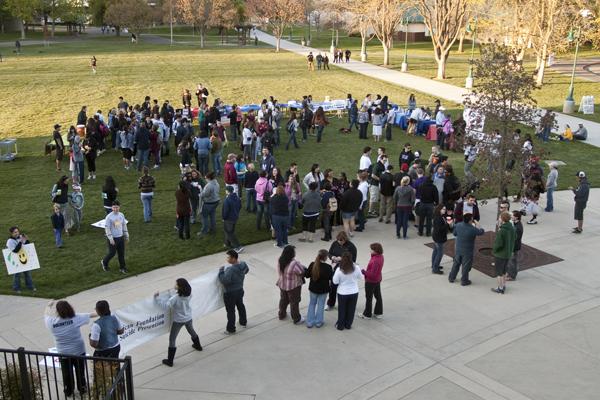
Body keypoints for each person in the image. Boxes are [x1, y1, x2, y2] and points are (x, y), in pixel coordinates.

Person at [44, 300, 97, 397]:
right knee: (80, 371)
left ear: (58, 311)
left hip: (63, 353)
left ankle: (68, 390)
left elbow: (46, 315)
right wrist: (102, 311)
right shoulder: (76, 318)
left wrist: (48, 306)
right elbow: (91, 315)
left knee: (66, 374)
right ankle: (82, 388)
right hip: (79, 351)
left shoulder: (51, 322)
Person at [155, 278, 203, 367]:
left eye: (176, 284)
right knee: (191, 331)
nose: (175, 285)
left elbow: (165, 306)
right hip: (188, 318)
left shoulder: (175, 298)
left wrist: (157, 298)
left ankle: (170, 361)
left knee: (172, 339)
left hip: (178, 321)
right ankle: (198, 346)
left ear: (180, 287)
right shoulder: (189, 294)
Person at [448, 213, 484, 286]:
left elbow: (454, 234)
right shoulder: (473, 229)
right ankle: (464, 281)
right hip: (468, 251)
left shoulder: (458, 225)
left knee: (456, 264)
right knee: (465, 266)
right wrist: (478, 225)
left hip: (458, 249)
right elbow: (481, 232)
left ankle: (451, 277)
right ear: (470, 220)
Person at [218, 249, 249, 335]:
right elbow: (246, 270)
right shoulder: (243, 264)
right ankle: (243, 322)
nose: (227, 259)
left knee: (231, 311)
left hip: (230, 293)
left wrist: (221, 272)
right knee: (241, 306)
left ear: (234, 259)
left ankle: (231, 329)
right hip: (240, 290)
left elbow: (225, 281)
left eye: (228, 257)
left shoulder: (230, 270)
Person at [332, 251, 363, 330]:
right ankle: (348, 325)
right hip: (354, 292)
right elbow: (360, 277)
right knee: (351, 309)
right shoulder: (356, 268)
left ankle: (340, 326)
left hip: (342, 293)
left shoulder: (339, 270)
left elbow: (335, 281)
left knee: (342, 310)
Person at [276, 245, 306, 324]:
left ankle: (281, 314)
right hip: (293, 287)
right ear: (291, 254)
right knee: (294, 302)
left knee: (283, 300)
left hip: (282, 284)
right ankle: (296, 319)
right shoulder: (294, 263)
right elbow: (301, 272)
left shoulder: (280, 260)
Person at [327, 231, 357, 310]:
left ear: (345, 239)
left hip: (344, 269)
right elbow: (329, 253)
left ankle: (344, 304)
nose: (339, 242)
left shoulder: (351, 246)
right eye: (338, 240)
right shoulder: (335, 243)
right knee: (333, 286)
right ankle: (331, 303)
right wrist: (332, 257)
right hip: (334, 267)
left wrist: (342, 259)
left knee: (343, 287)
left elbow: (353, 259)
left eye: (341, 241)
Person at [305, 249, 333, 328]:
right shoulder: (328, 267)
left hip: (313, 289)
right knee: (321, 305)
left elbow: (306, 275)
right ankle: (318, 322)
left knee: (312, 304)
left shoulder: (312, 264)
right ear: (325, 257)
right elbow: (331, 278)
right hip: (323, 290)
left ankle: (309, 322)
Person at [491, 212, 516, 294]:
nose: (499, 219)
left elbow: (498, 244)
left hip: (500, 255)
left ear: (502, 219)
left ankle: (500, 288)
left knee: (499, 272)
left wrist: (494, 250)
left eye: (500, 217)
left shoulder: (502, 230)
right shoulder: (512, 228)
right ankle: (504, 285)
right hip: (508, 254)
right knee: (504, 271)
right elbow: (515, 237)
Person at [101, 201, 129, 274]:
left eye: (117, 207)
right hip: (113, 238)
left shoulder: (121, 215)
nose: (115, 209)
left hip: (120, 237)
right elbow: (107, 228)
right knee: (112, 253)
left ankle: (122, 268)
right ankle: (104, 262)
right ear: (112, 208)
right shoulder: (109, 217)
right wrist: (110, 238)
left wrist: (126, 235)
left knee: (121, 253)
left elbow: (124, 225)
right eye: (114, 207)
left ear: (119, 207)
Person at [6, 226, 36, 293]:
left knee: (27, 273)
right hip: (16, 261)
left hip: (24, 258)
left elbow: (27, 245)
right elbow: (15, 251)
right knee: (17, 275)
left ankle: (30, 286)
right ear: (11, 233)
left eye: (17, 231)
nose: (17, 233)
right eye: (15, 232)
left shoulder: (20, 237)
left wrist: (26, 239)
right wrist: (21, 242)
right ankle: (16, 288)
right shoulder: (10, 241)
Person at [358, 243, 384, 319]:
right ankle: (378, 313)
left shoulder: (375, 260)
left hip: (371, 281)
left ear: (376, 250)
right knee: (378, 296)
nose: (370, 250)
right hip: (377, 280)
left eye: (372, 249)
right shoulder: (380, 257)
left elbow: (372, 274)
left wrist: (363, 271)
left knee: (369, 298)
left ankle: (367, 314)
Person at [431, 204, 452, 274]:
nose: (445, 210)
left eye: (445, 209)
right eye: (443, 209)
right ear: (439, 209)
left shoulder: (441, 216)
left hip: (437, 237)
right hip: (438, 237)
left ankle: (434, 265)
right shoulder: (438, 218)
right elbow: (439, 229)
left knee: (435, 251)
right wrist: (447, 224)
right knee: (440, 253)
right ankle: (435, 268)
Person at [222, 185, 243, 252]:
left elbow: (225, 211)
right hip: (235, 217)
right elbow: (240, 206)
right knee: (229, 230)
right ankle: (227, 243)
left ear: (227, 191)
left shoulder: (227, 200)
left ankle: (238, 247)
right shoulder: (237, 198)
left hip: (228, 219)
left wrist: (224, 218)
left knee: (229, 232)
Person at [506, 210, 524, 281]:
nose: (510, 217)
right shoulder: (515, 224)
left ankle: (512, 276)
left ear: (516, 217)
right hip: (513, 246)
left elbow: (514, 238)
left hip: (514, 247)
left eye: (512, 216)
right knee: (511, 261)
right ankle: (510, 272)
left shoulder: (518, 227)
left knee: (512, 262)